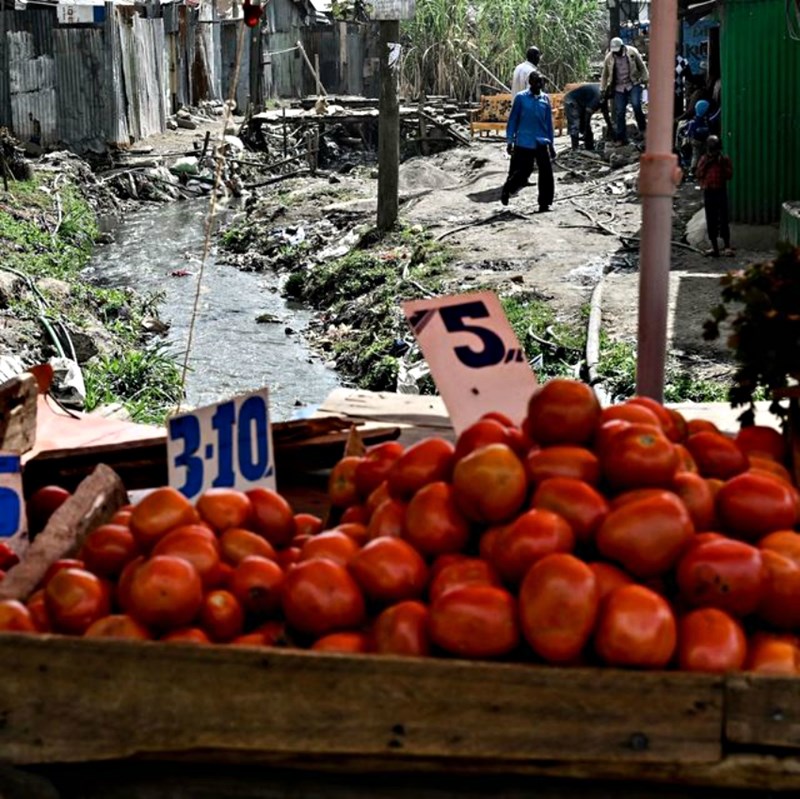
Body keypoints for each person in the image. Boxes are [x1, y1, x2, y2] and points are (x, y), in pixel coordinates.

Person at [501, 70, 556, 212]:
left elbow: (548, 124)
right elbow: (513, 120)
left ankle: (544, 203)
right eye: (537, 82)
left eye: (541, 82)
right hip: (524, 141)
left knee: (546, 172)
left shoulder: (545, 99)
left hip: (541, 141)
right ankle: (508, 188)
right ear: (530, 82)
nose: (539, 85)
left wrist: (551, 144)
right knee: (523, 172)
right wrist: (510, 141)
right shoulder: (521, 98)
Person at [600, 36, 649, 144]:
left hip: (633, 83)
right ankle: (621, 138)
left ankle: (643, 129)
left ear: (622, 47)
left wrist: (645, 79)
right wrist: (602, 89)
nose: (616, 53)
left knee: (636, 105)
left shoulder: (632, 52)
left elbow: (642, 67)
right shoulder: (609, 58)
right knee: (620, 112)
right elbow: (604, 75)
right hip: (619, 86)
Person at [695, 135, 734, 258]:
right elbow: (698, 174)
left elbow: (729, 175)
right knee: (711, 220)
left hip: (721, 191)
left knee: (723, 219)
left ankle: (727, 246)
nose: (713, 153)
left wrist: (722, 165)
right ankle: (715, 248)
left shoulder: (724, 159)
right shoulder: (704, 159)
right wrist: (707, 164)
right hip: (709, 192)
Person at [563, 83, 612, 150]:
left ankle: (590, 148)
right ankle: (575, 149)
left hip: (582, 104)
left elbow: (605, 112)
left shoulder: (603, 95)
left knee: (587, 129)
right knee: (575, 125)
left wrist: (610, 127)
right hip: (572, 101)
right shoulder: (599, 95)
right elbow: (587, 115)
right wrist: (585, 131)